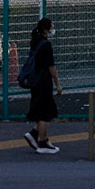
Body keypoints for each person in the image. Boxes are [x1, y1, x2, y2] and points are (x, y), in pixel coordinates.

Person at [22, 16, 60, 154]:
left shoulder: (35, 43)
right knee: (46, 113)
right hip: (44, 82)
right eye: (52, 26)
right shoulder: (46, 45)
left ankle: (33, 134)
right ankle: (43, 142)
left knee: (41, 109)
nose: (53, 29)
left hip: (35, 82)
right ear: (46, 29)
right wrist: (58, 84)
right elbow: (51, 67)